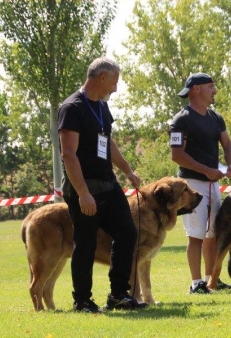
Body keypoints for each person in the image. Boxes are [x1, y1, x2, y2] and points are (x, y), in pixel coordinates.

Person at [58, 57, 147, 312]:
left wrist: (128, 170)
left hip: (108, 185)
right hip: (84, 189)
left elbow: (108, 143)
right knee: (85, 244)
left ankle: (118, 294)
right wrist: (83, 194)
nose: (116, 89)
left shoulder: (101, 108)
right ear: (103, 78)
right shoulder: (72, 108)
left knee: (127, 233)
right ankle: (82, 301)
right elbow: (68, 155)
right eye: (115, 82)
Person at [169, 72, 231, 293]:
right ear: (196, 89)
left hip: (213, 184)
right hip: (191, 186)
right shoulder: (182, 119)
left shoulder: (216, 118)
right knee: (196, 235)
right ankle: (196, 283)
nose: (215, 90)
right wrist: (207, 170)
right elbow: (176, 155)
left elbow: (228, 145)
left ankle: (211, 280)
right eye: (211, 86)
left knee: (213, 233)